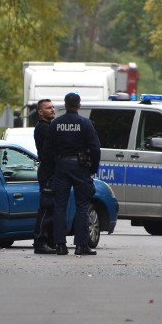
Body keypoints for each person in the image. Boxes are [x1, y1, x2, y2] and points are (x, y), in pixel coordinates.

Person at [44, 92, 101, 256]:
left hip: (61, 167)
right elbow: (95, 148)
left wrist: (51, 169)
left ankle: (60, 245)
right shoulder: (85, 123)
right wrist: (93, 169)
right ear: (79, 105)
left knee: (60, 207)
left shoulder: (56, 124)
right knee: (82, 206)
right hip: (80, 167)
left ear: (65, 104)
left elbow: (48, 149)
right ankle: (81, 245)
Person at [32, 99, 57, 254]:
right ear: (40, 112)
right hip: (47, 172)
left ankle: (50, 241)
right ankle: (40, 242)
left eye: (53, 107)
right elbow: (50, 151)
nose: (53, 109)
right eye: (48, 108)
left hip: (52, 173)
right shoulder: (43, 128)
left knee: (53, 209)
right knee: (47, 208)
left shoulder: (50, 127)